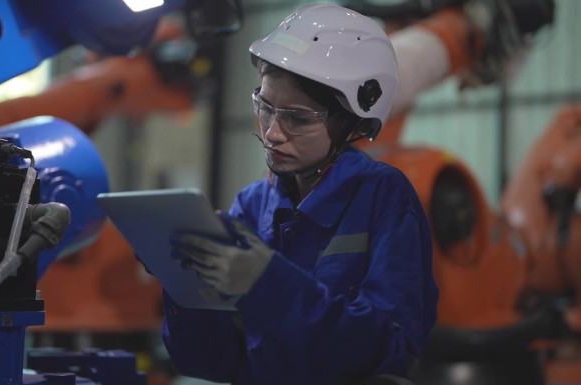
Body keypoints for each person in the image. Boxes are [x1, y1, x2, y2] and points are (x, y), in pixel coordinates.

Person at [160, 3, 439, 384]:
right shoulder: (253, 205)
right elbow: (211, 363)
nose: (272, 132)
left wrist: (268, 285)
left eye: (297, 118)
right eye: (265, 107)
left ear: (351, 120)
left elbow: (384, 348)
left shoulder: (383, 197)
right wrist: (181, 286)